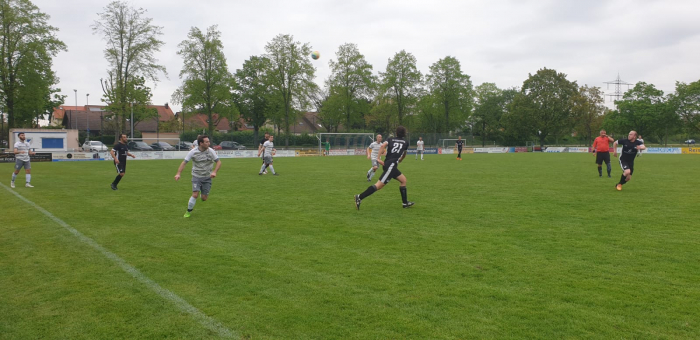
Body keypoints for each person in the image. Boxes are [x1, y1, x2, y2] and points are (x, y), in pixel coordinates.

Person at [355, 126, 414, 210]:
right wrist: (401, 159)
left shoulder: (390, 139)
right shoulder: (406, 142)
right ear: (404, 134)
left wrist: (378, 158)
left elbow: (383, 146)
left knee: (403, 180)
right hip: (391, 166)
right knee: (378, 186)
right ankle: (359, 197)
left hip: (389, 165)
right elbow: (404, 153)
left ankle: (405, 203)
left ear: (396, 133)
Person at [175, 135, 222, 217]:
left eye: (209, 141)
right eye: (206, 142)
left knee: (204, 198)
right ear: (201, 143)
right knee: (195, 194)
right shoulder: (193, 152)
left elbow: (218, 162)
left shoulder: (211, 151)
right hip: (196, 176)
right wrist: (178, 173)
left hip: (207, 177)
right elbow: (184, 162)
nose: (209, 143)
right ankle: (188, 211)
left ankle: (202, 194)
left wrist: (214, 172)